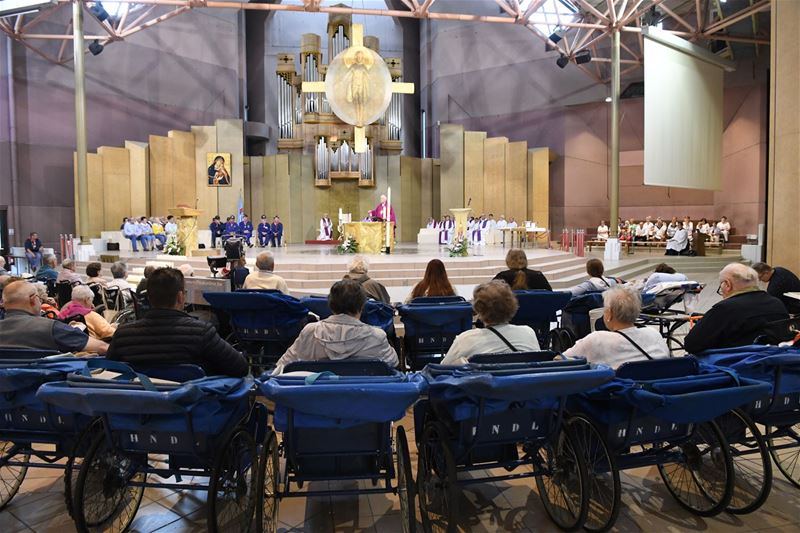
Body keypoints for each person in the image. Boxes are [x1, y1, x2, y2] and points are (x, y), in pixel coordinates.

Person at [107, 268, 248, 376]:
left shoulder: (123, 335)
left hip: (139, 411)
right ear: (181, 297)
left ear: (149, 298)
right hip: (192, 410)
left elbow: (109, 372)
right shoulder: (201, 332)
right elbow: (240, 367)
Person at [274, 279, 398, 373]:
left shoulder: (310, 331)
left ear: (331, 306)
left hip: (317, 402)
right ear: (362, 307)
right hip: (363, 402)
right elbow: (393, 363)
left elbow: (283, 365)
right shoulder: (376, 336)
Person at [684, 264, 789, 354]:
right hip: (771, 368)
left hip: (733, 368)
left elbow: (691, 344)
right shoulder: (776, 303)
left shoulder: (726, 308)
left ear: (727, 284)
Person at [563, 287, 669, 368]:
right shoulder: (653, 334)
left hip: (615, 395)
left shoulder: (597, 339)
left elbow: (561, 360)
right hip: (652, 393)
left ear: (609, 314)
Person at [441, 281, 540, 365]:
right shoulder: (528, 333)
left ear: (478, 310)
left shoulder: (465, 339)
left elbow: (441, 370)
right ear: (512, 305)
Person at [0, 280, 108, 353]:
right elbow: (102, 348)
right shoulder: (50, 327)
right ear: (33, 299)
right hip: (47, 384)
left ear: (4, 303)